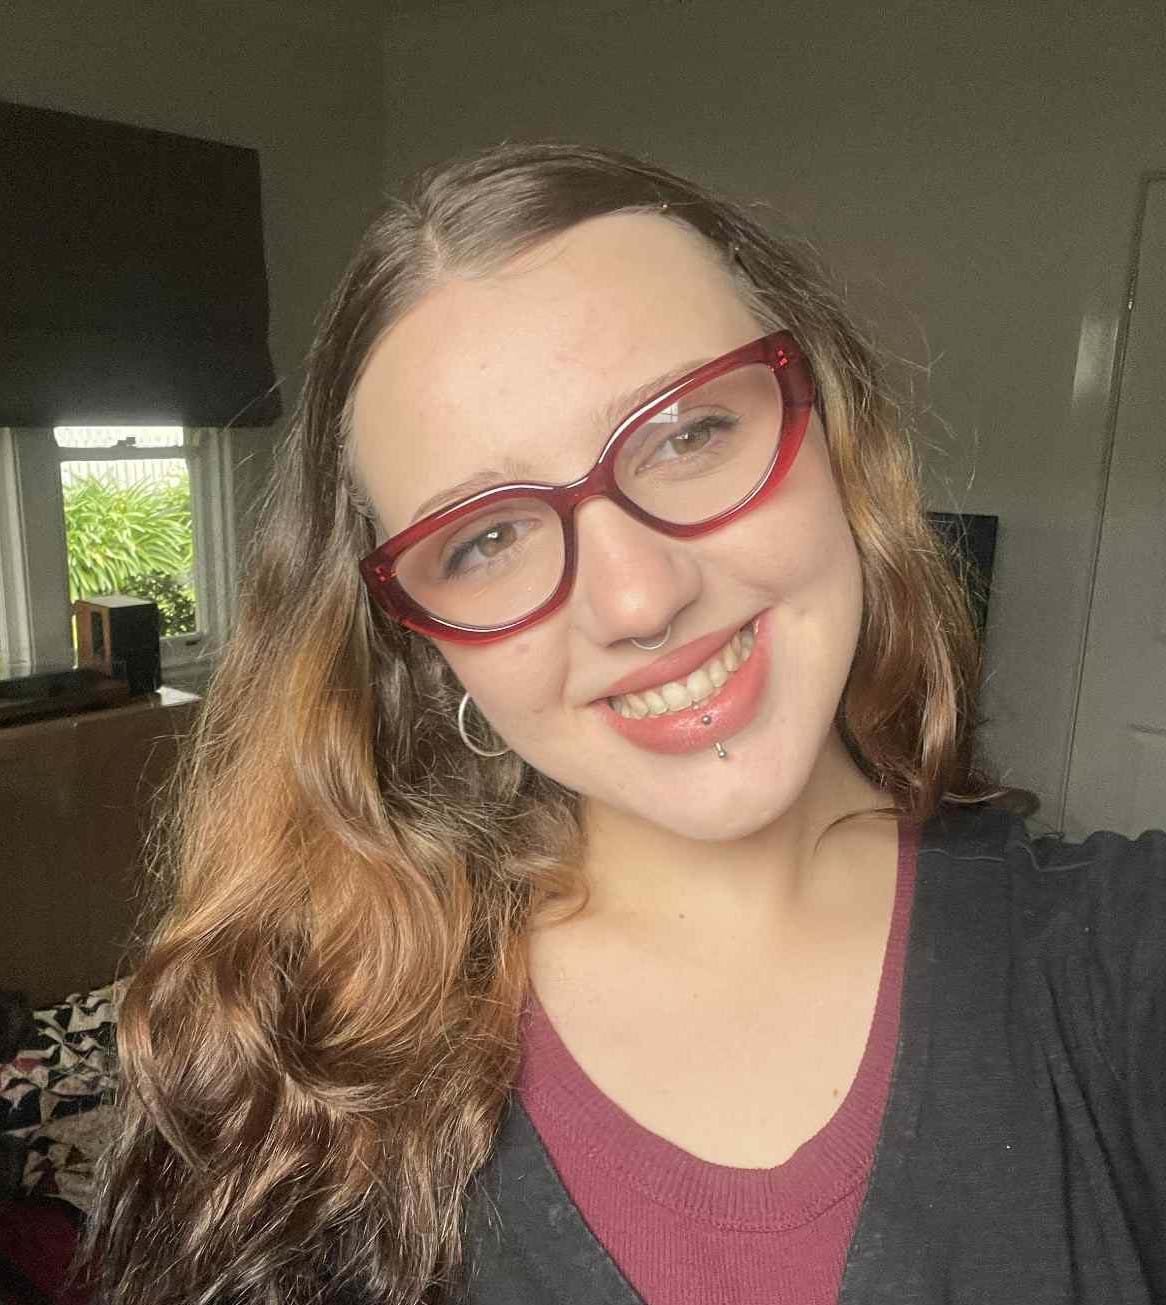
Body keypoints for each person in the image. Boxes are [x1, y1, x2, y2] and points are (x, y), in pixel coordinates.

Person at [85, 143, 1165, 1305]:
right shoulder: (290, 1079)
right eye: (485, 539)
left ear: (830, 424)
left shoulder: (1117, 962)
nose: (639, 600)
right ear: (423, 639)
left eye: (686, 433)